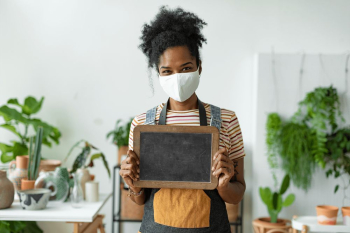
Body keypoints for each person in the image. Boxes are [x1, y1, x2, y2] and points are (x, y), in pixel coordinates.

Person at [119, 5, 246, 233]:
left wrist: (225, 184)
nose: (177, 78)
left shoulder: (226, 120)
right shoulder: (142, 125)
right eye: (167, 71)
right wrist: (132, 183)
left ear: (199, 67)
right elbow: (140, 200)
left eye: (186, 67)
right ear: (158, 74)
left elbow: (237, 195)